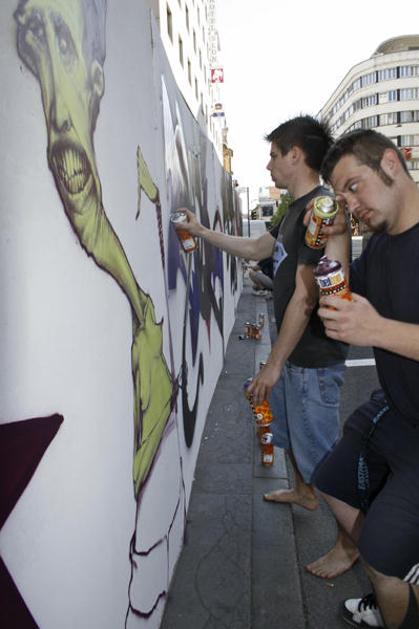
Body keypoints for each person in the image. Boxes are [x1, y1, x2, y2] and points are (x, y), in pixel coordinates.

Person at [176, 115, 359, 579]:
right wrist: (201, 232)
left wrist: (272, 364)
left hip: (312, 359)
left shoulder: (320, 213)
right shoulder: (295, 210)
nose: (269, 164)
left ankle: (353, 544)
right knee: (291, 434)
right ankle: (304, 492)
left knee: (323, 456)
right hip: (296, 353)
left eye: (275, 154)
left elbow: (305, 297)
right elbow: (258, 248)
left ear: (296, 155)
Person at [314, 128, 419, 628]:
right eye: (341, 196)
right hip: (397, 411)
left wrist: (375, 329)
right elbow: (338, 301)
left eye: (354, 186)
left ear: (391, 164)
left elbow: (367, 325)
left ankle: (394, 583)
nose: (351, 203)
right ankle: (395, 578)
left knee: (382, 554)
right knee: (332, 481)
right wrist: (337, 231)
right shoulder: (379, 246)